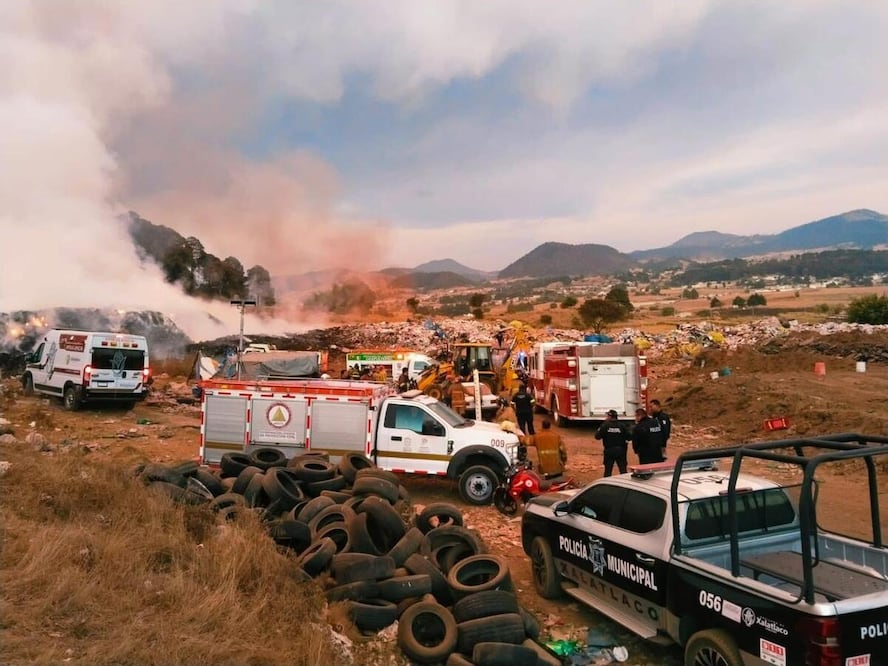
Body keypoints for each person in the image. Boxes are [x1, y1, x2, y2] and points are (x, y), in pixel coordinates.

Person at [594, 409, 630, 476]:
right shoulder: (622, 426)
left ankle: (606, 485)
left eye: (607, 416)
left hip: (609, 451)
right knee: (623, 471)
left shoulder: (605, 425)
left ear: (610, 416)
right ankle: (625, 484)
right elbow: (629, 437)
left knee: (608, 471)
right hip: (621, 451)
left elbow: (597, 437)